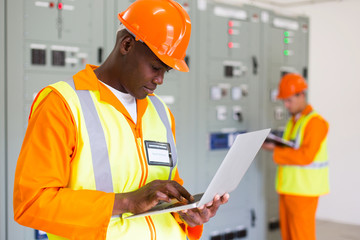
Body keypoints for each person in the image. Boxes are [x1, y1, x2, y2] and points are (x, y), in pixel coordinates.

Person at [13, 0, 229, 239]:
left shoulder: (161, 112)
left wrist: (186, 214)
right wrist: (126, 202)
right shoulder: (63, 104)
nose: (160, 80)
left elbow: (167, 192)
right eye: (156, 67)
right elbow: (32, 203)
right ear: (126, 44)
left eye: (166, 71)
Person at [262, 73, 329, 240]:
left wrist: (275, 151)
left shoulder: (315, 123)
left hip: (303, 193)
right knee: (289, 236)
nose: (286, 105)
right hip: (288, 189)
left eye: (289, 100)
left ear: (301, 95)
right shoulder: (295, 121)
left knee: (301, 236)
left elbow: (306, 156)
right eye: (284, 101)